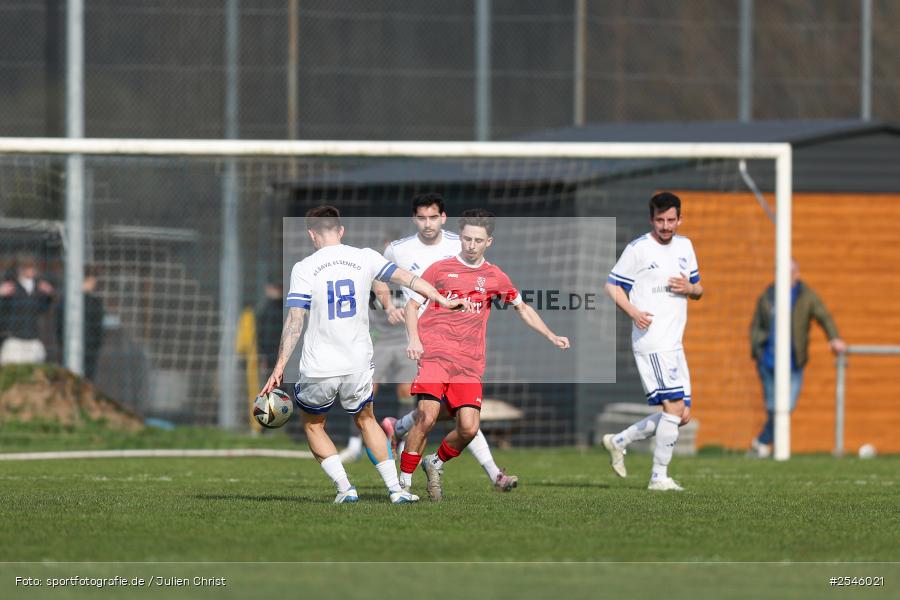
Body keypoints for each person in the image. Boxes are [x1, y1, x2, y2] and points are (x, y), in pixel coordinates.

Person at [260, 205, 467, 504]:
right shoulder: (365, 256)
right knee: (367, 419)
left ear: (311, 235)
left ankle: (346, 488)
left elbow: (295, 320)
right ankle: (396, 490)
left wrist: (279, 365)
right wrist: (441, 299)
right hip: (358, 362)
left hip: (321, 365)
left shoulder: (304, 267)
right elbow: (408, 279)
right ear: (341, 231)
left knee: (313, 424)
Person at [399, 208, 570, 502]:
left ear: (488, 242)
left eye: (478, 240)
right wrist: (414, 338)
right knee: (426, 417)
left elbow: (523, 308)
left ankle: (435, 462)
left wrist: (551, 334)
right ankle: (402, 484)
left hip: (469, 364)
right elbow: (412, 306)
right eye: (466, 238)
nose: (471, 245)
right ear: (461, 237)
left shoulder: (495, 276)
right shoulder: (439, 269)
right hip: (436, 354)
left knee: (468, 428)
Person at [376, 193, 520, 492]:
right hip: (424, 336)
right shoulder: (398, 249)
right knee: (444, 410)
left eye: (433, 217)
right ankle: (492, 473)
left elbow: (483, 276)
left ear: (443, 217)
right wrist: (389, 306)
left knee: (457, 411)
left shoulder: (461, 242)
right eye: (421, 217)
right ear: (413, 219)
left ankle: (399, 426)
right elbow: (378, 276)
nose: (427, 224)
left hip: (461, 338)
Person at [601, 192, 703, 492]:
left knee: (681, 415)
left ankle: (620, 441)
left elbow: (698, 291)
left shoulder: (686, 247)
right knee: (673, 409)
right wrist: (633, 312)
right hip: (653, 340)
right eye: (660, 220)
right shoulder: (639, 249)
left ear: (679, 219)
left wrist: (691, 288)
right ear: (652, 220)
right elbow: (611, 286)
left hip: (675, 342)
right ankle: (659, 477)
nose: (666, 226)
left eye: (671, 220)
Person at [748, 259, 846, 458]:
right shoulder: (768, 295)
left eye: (791, 272)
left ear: (797, 274)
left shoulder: (806, 296)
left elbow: (823, 316)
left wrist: (834, 338)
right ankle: (764, 444)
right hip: (768, 360)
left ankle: (761, 441)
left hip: (793, 362)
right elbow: (756, 324)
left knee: (787, 405)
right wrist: (757, 347)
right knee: (772, 405)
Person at [0, 252, 55, 365]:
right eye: (29, 267)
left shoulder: (38, 287)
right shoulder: (11, 286)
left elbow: (43, 310)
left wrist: (49, 295)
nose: (33, 270)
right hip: (15, 338)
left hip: (33, 338)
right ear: (20, 269)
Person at [56, 267, 105, 381]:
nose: (94, 285)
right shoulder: (92, 303)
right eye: (92, 281)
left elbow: (59, 326)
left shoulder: (67, 300)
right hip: (84, 348)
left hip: (81, 348)